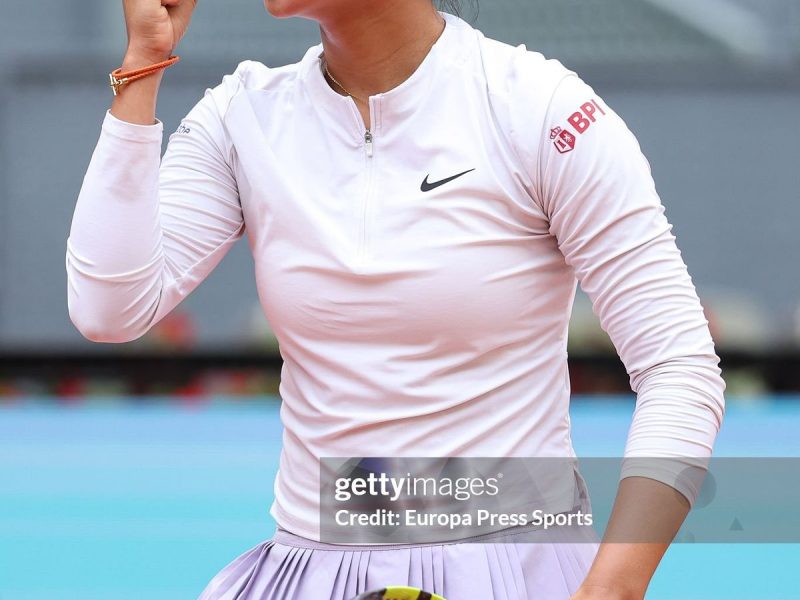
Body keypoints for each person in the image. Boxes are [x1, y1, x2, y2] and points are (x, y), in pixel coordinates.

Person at [65, 0, 726, 598]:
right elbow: (109, 309)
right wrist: (144, 64)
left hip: (519, 570)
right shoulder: (243, 115)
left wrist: (612, 588)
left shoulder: (540, 108)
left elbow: (679, 367)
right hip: (307, 568)